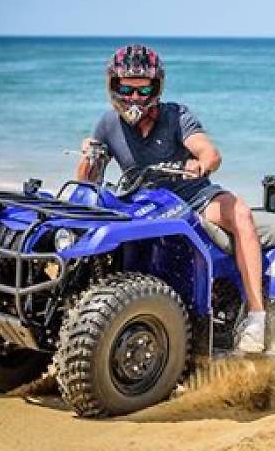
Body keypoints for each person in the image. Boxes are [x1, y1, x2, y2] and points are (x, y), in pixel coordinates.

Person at [76, 44, 265, 352]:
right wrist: (90, 155)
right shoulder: (108, 123)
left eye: (143, 89)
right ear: (113, 85)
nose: (134, 98)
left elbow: (209, 151)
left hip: (192, 199)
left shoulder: (177, 116)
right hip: (143, 205)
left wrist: (200, 164)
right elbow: (86, 183)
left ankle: (257, 318)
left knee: (241, 212)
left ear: (156, 86)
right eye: (126, 88)